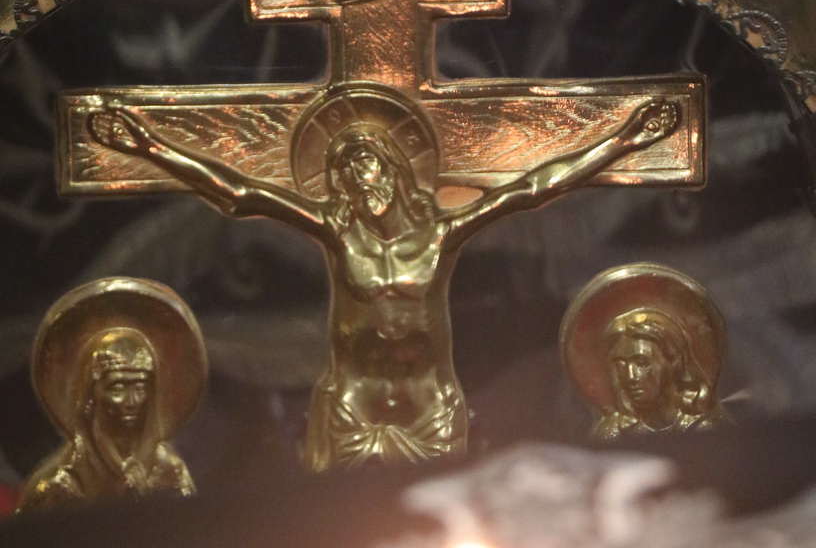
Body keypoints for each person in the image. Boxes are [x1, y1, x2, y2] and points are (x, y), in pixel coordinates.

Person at [88, 92, 679, 468]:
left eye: (366, 166)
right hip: (354, 408)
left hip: (429, 408)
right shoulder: (335, 233)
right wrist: (147, 146)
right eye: (345, 174)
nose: (357, 182)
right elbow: (239, 194)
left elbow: (534, 188)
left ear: (393, 170)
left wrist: (626, 140)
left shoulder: (443, 232)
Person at [19, 326, 195, 511]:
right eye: (117, 389)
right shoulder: (61, 484)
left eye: (140, 388)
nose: (131, 402)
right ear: (92, 395)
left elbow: (192, 524)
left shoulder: (169, 471)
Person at [596, 308, 724, 438]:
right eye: (620, 365)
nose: (630, 376)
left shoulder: (706, 430)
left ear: (673, 362)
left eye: (642, 363)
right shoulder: (611, 434)